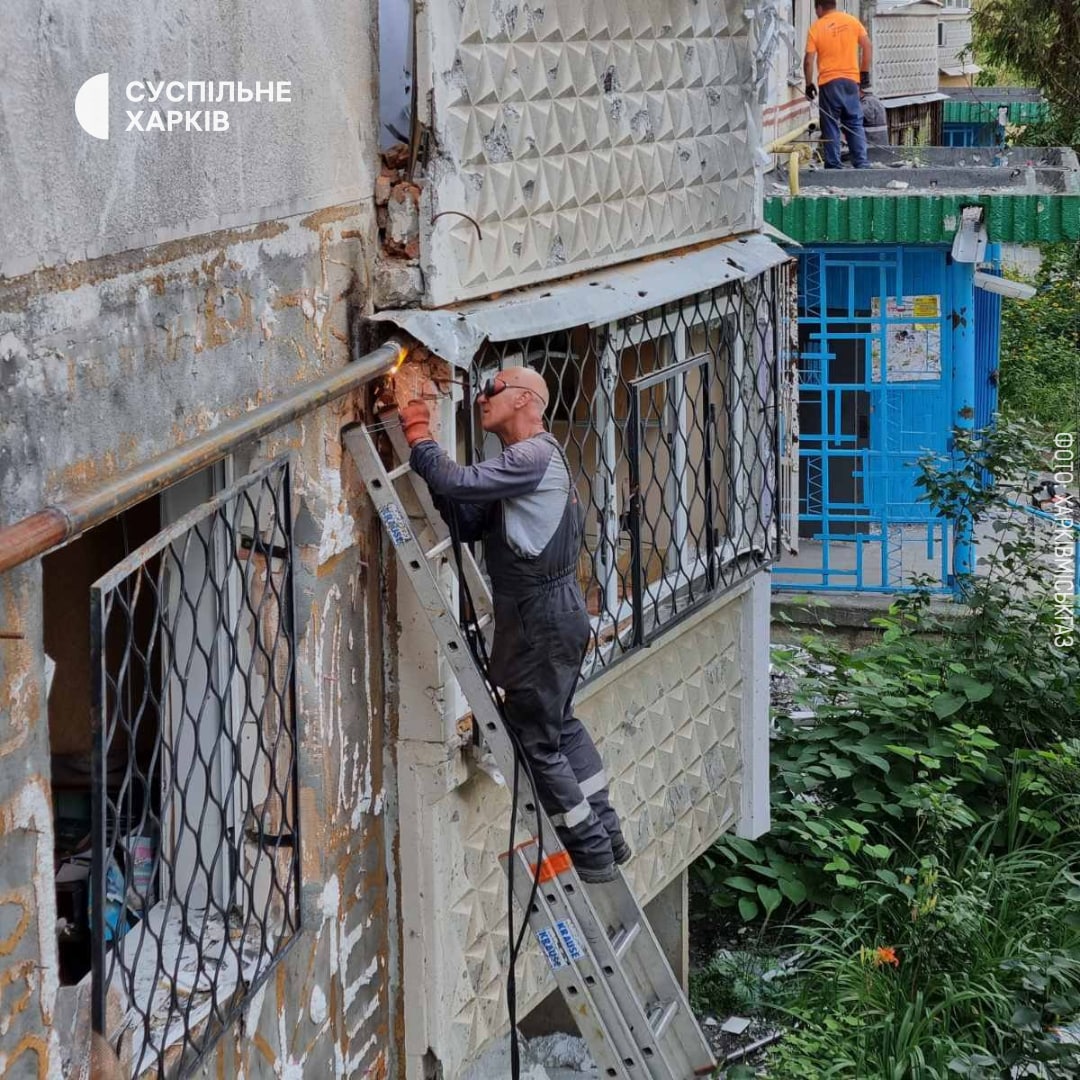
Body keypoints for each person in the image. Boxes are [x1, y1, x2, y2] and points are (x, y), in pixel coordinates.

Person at [399, 368, 629, 884]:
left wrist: (418, 435)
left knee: (536, 739)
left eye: (494, 387)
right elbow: (468, 520)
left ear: (527, 399)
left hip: (541, 620)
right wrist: (443, 489)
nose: (481, 396)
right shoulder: (524, 467)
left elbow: (457, 480)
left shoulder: (533, 455)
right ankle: (608, 837)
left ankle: (591, 853)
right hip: (551, 616)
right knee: (560, 725)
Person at [803, 0, 873, 169]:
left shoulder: (816, 28)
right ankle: (861, 163)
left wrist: (809, 83)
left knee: (830, 123)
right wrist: (864, 72)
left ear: (819, 8)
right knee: (854, 122)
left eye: (816, 10)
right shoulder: (852, 21)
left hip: (829, 83)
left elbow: (808, 60)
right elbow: (867, 46)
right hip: (851, 81)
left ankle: (834, 165)